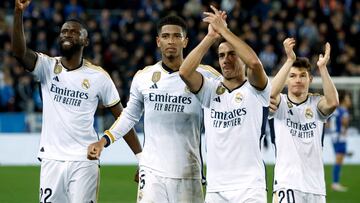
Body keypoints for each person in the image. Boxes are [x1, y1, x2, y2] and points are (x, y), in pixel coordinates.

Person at [12, 0, 142, 202]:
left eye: (73, 32)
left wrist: (140, 157)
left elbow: (123, 118)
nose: (67, 34)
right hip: (51, 160)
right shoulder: (46, 66)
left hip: (84, 160)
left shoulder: (99, 77)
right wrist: (18, 12)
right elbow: (19, 53)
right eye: (63, 31)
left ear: (85, 41)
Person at [87, 15, 221, 202]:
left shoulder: (205, 75)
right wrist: (103, 141)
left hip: (188, 171)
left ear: (185, 41)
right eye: (165, 36)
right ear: (158, 41)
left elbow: (230, 100)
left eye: (177, 36)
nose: (171, 41)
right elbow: (129, 116)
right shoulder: (144, 77)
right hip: (152, 172)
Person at [179, 6, 270, 202]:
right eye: (221, 56)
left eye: (231, 54)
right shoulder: (209, 90)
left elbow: (254, 64)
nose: (226, 60)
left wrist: (225, 31)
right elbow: (184, 72)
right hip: (216, 188)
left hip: (250, 187)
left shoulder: (256, 89)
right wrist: (211, 36)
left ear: (241, 57)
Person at [269, 38, 339, 202]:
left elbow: (333, 103)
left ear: (310, 79)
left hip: (316, 187)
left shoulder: (316, 103)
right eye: (292, 76)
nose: (298, 80)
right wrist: (289, 60)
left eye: (302, 75)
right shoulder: (281, 102)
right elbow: (270, 95)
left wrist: (322, 68)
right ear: (287, 80)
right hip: (287, 185)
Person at [330, 91, 352, 192]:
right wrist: (347, 122)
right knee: (339, 161)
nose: (349, 101)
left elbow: (330, 123)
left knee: (339, 159)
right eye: (348, 99)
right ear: (344, 100)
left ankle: (336, 182)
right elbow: (344, 123)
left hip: (334, 137)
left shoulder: (336, 110)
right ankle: (335, 183)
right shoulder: (344, 111)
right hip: (340, 137)